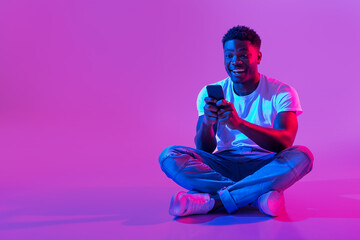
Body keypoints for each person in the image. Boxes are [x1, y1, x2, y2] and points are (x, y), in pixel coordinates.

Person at [158, 26, 314, 217]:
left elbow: (284, 142)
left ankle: (213, 202)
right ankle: (257, 197)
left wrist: (240, 124)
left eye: (243, 55)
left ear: (258, 57)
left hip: (264, 164)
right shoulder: (209, 92)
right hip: (223, 162)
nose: (235, 61)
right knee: (169, 156)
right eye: (229, 55)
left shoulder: (282, 92)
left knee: (302, 156)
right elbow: (203, 149)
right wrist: (207, 123)